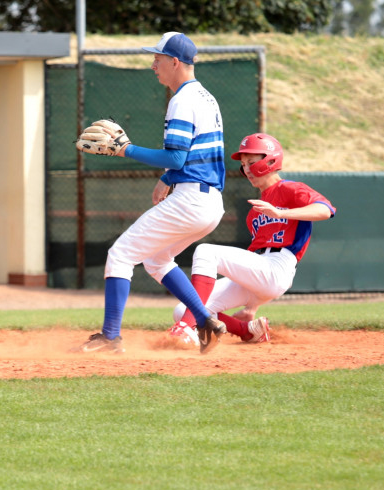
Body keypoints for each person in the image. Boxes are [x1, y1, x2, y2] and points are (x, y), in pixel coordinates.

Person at [75, 32, 228, 354]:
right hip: (209, 201)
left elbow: (176, 156)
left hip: (191, 200)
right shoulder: (205, 97)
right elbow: (190, 156)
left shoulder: (183, 100)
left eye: (157, 59)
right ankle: (205, 321)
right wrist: (168, 178)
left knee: (120, 255)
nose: (152, 64)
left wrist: (125, 150)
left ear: (175, 62)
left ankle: (110, 337)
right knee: (157, 260)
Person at [167, 133, 336, 345]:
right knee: (183, 309)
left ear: (271, 161)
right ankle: (248, 330)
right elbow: (255, 264)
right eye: (244, 164)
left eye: (252, 163)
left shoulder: (290, 189)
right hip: (261, 274)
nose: (246, 169)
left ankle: (184, 329)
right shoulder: (255, 213)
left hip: (279, 265)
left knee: (206, 252)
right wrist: (252, 307)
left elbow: (325, 210)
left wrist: (281, 213)